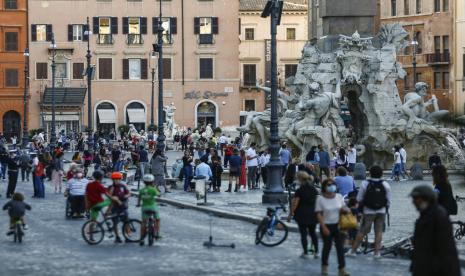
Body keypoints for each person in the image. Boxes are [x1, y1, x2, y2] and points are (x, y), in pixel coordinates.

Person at [409, 185, 460, 276]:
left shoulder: (436, 216)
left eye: (416, 198)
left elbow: (443, 248)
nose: (413, 202)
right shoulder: (427, 214)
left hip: (435, 269)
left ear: (425, 199)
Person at [347, 165, 391, 259]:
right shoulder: (385, 184)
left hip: (368, 211)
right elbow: (388, 201)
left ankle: (353, 251)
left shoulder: (365, 184)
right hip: (381, 211)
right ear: (381, 174)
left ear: (370, 173)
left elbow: (359, 199)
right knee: (378, 232)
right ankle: (377, 253)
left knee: (362, 231)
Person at [315, 179, 349, 276]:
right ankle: (324, 267)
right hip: (326, 225)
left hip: (338, 226)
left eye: (333, 185)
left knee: (340, 248)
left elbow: (343, 208)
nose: (331, 186)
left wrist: (345, 210)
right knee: (327, 247)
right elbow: (318, 214)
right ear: (324, 187)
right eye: (329, 185)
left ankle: (342, 269)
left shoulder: (339, 196)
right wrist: (323, 227)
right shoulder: (320, 199)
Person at [289, 171, 319, 259]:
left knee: (303, 234)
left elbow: (295, 203)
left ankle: (305, 252)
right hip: (313, 214)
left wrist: (290, 214)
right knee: (313, 233)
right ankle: (316, 252)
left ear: (300, 179)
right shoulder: (314, 189)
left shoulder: (299, 190)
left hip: (301, 214)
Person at [137, 174, 161, 246]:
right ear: (152, 182)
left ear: (144, 182)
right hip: (153, 207)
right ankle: (157, 233)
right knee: (157, 219)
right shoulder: (153, 189)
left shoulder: (142, 190)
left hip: (144, 207)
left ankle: (141, 238)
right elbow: (158, 194)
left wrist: (138, 204)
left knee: (144, 222)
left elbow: (139, 199)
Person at [107, 172, 130, 243]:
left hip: (123, 206)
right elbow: (109, 197)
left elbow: (128, 193)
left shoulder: (123, 186)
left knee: (126, 222)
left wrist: (126, 196)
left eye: (118, 179)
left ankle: (128, 236)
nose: (116, 181)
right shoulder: (111, 187)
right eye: (115, 179)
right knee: (115, 223)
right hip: (114, 207)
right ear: (112, 180)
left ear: (120, 179)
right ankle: (117, 237)